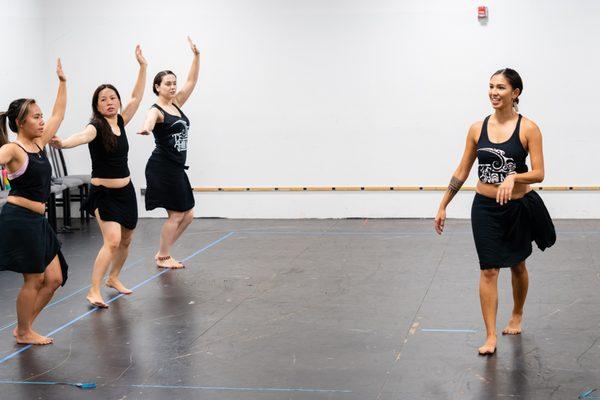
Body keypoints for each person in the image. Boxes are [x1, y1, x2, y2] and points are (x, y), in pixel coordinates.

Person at [434, 68, 555, 355]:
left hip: (517, 208)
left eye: (500, 87)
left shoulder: (528, 129)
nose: (494, 92)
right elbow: (463, 170)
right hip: (485, 208)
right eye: (490, 86)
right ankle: (490, 335)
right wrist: (443, 204)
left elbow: (539, 173)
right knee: (489, 269)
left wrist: (514, 177)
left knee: (518, 265)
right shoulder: (477, 128)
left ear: (516, 93)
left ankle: (517, 314)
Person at [51, 46, 147, 308]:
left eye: (112, 97)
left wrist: (142, 67)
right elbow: (79, 138)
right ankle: (94, 290)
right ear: (97, 105)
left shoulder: (122, 121)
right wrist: (62, 144)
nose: (110, 102)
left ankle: (113, 278)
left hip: (126, 191)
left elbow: (137, 97)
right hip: (104, 194)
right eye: (103, 99)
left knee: (127, 239)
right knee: (113, 240)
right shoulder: (95, 127)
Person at [0, 59, 69, 344]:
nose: (42, 120)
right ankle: (24, 332)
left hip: (38, 221)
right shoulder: (12, 148)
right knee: (34, 279)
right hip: (19, 220)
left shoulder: (39, 144)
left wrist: (63, 83)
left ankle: (24, 327)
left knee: (54, 279)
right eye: (35, 117)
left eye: (41, 116)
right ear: (20, 122)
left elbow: (59, 113)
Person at [138, 37, 200, 269]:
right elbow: (150, 119)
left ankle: (163, 251)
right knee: (176, 215)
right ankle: (164, 257)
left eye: (174, 83)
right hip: (162, 168)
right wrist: (146, 128)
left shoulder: (176, 104)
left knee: (189, 214)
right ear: (157, 87)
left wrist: (196, 56)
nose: (173, 87)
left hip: (176, 168)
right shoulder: (156, 110)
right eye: (167, 84)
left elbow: (192, 81)